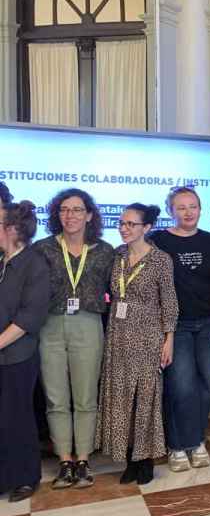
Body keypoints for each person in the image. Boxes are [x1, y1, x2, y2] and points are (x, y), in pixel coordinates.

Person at [34, 189, 114, 488]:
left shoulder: (105, 251)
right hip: (50, 326)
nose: (70, 215)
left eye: (77, 210)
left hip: (88, 324)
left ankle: (83, 459)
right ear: (57, 214)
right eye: (64, 210)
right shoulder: (42, 249)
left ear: (89, 215)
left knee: (85, 397)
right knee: (55, 398)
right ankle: (64, 460)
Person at [151, 186, 210, 473]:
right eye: (181, 207)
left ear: (201, 209)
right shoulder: (157, 241)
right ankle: (177, 445)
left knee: (203, 387)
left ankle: (196, 440)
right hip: (177, 327)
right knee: (180, 387)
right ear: (171, 211)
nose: (188, 212)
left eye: (193, 206)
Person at [95, 204, 178, 485]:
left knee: (146, 400)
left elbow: (169, 301)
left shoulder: (160, 259)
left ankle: (146, 460)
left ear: (146, 228)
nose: (124, 228)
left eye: (131, 224)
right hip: (117, 336)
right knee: (121, 399)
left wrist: (169, 339)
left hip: (147, 337)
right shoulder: (117, 255)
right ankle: (130, 457)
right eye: (121, 223)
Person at [0, 201, 50, 502]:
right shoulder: (3, 260)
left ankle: (26, 477)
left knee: (16, 417)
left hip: (17, 356)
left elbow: (28, 319)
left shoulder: (34, 263)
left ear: (13, 230)